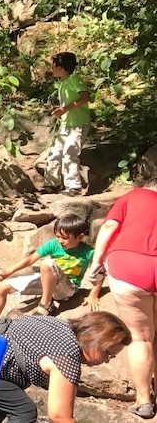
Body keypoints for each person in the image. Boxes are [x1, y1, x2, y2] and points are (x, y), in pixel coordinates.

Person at [85, 173, 157, 419]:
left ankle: (144, 400)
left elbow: (109, 226)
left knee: (140, 338)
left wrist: (96, 264)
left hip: (129, 265)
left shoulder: (134, 195)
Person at [0, 311, 130, 423]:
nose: (107, 361)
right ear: (96, 341)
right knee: (23, 411)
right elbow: (60, 417)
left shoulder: (61, 327)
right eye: (108, 354)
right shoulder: (67, 357)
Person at [0, 214, 102, 318]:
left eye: (64, 238)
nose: (60, 241)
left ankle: (45, 305)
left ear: (80, 237)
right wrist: (8, 272)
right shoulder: (53, 244)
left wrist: (94, 294)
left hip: (67, 289)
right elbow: (30, 259)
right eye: (58, 236)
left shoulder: (88, 252)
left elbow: (101, 271)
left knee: (47, 263)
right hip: (49, 284)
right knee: (2, 287)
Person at [43, 52, 91, 197]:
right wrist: (61, 112)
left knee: (70, 153)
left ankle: (73, 187)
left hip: (78, 123)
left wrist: (64, 109)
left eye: (53, 65)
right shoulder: (63, 83)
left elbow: (85, 97)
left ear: (61, 67)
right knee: (54, 153)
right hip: (66, 124)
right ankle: (52, 184)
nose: (51, 68)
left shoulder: (74, 79)